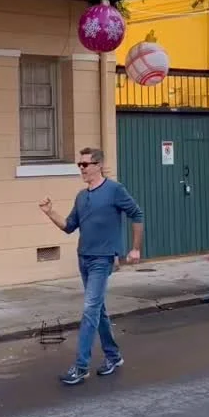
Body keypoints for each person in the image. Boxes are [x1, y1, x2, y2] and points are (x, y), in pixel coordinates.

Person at [39, 146, 144, 385]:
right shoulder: (81, 196)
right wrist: (49, 212)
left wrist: (135, 248)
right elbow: (69, 226)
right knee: (98, 310)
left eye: (85, 164)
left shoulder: (114, 190)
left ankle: (81, 366)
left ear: (98, 165)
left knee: (89, 310)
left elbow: (137, 214)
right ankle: (113, 356)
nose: (82, 169)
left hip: (102, 259)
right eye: (79, 165)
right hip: (84, 258)